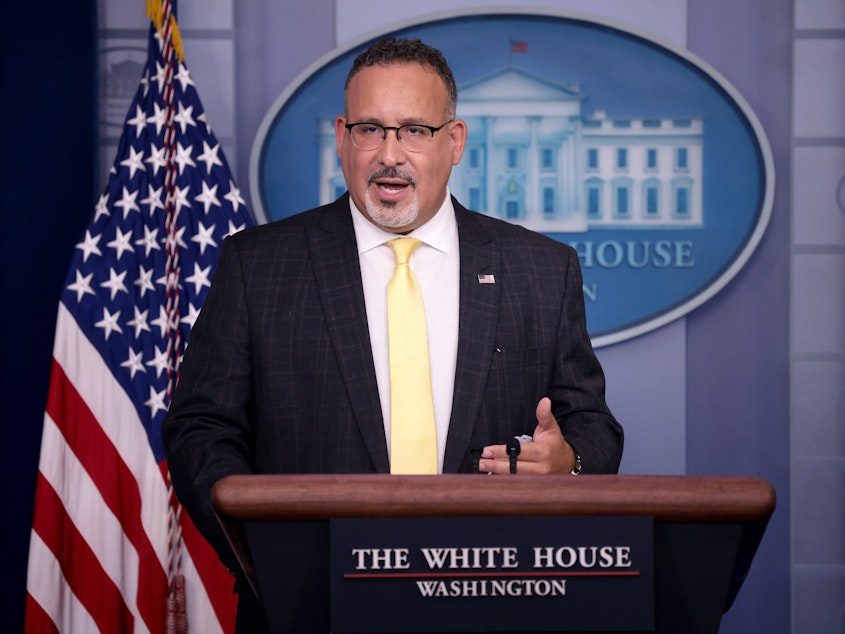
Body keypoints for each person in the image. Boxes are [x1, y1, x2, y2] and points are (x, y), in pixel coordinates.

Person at [162, 37, 623, 629]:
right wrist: (264, 550)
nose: (389, 154)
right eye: (369, 130)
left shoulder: (540, 268)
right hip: (308, 605)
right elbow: (201, 427)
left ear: (453, 142)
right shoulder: (259, 265)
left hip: (497, 601)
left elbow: (591, 424)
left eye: (413, 130)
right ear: (341, 137)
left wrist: (569, 464)